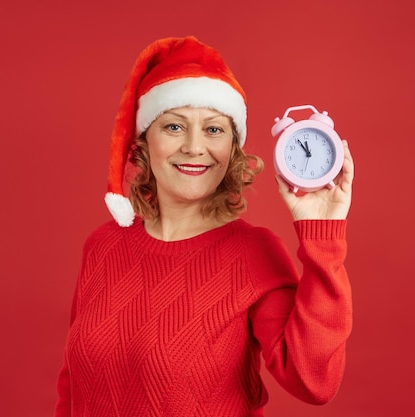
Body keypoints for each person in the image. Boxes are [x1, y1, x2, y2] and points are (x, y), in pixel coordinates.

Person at [54, 35, 354, 417]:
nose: (195, 147)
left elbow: (315, 382)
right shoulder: (103, 245)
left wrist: (323, 235)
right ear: (145, 141)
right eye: (175, 127)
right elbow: (72, 388)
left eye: (214, 130)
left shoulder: (253, 253)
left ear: (233, 148)